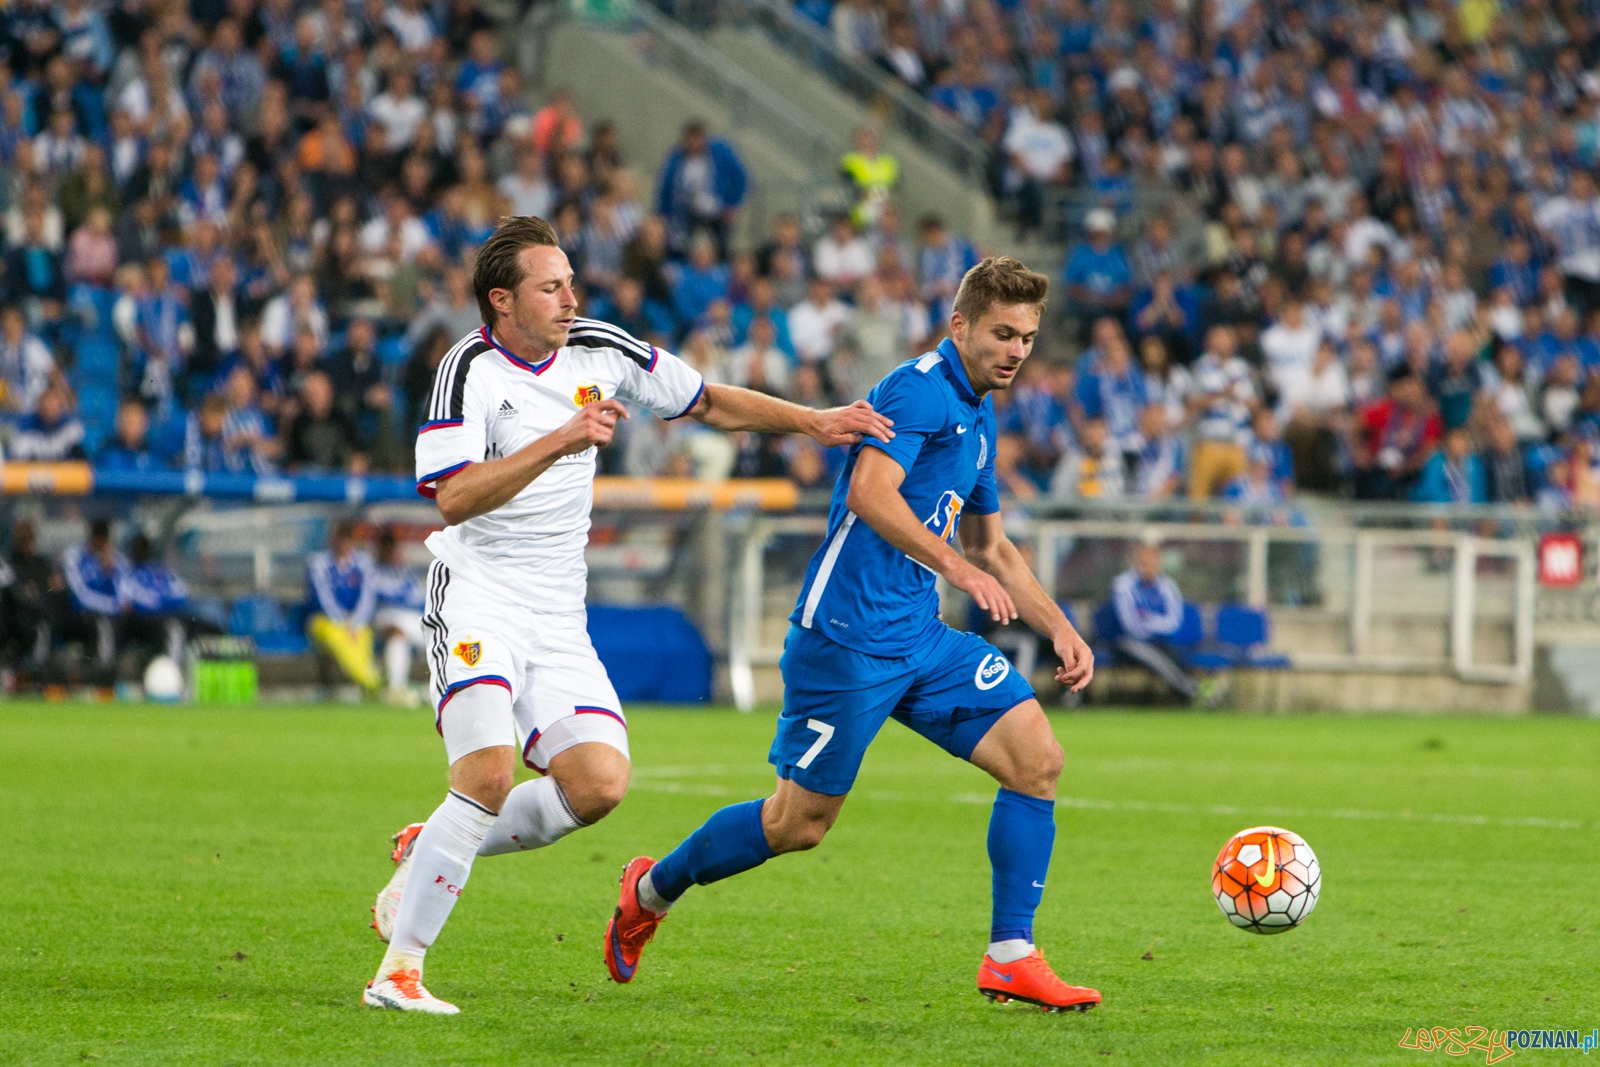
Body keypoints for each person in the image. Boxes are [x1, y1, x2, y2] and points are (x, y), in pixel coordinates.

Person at [365, 216, 891, 1013]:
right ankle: (399, 970)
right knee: (486, 773)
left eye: (571, 280)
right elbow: (452, 495)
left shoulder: (601, 348)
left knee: (599, 784)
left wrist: (815, 421)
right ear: (502, 301)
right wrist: (562, 438)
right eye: (552, 286)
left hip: (556, 614)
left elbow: (708, 401)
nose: (571, 296)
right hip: (478, 593)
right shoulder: (468, 368)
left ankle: (432, 838)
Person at [601, 257, 1100, 1013]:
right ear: (959, 324)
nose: (1016, 350)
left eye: (1027, 337)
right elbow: (871, 493)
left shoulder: (979, 414)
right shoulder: (918, 389)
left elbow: (992, 545)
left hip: (920, 639)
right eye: (1002, 332)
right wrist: (954, 569)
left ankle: (1010, 954)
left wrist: (1062, 627)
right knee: (796, 824)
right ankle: (649, 891)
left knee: (1038, 760)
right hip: (845, 640)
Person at [1108, 543, 1205, 702]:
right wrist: (1158, 624)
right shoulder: (1123, 585)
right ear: (1135, 562)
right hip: (1127, 643)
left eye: (1152, 561)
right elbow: (1131, 626)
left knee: (1170, 653)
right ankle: (1190, 690)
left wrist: (1147, 620)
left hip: (1161, 642)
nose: (1148, 566)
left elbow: (1174, 623)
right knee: (1152, 654)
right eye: (1144, 561)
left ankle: (1186, 692)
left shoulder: (1167, 586)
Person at [305, 519, 381, 692]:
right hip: (324, 620)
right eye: (340, 537)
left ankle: (368, 679)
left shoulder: (362, 563)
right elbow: (323, 597)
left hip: (354, 622)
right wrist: (342, 621)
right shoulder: (319, 563)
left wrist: (354, 622)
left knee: (364, 635)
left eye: (348, 538)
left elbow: (367, 597)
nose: (344, 543)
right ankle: (370, 681)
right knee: (338, 637)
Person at [654, 121, 747, 260]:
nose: (694, 144)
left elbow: (740, 177)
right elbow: (666, 189)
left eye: (698, 140)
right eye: (691, 140)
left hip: (717, 211)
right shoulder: (676, 159)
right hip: (688, 213)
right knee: (684, 247)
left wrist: (731, 204)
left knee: (720, 250)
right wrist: (661, 214)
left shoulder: (720, 152)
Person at [371, 526, 427, 705]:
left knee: (441, 636)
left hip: (411, 618)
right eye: (386, 547)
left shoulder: (406, 572)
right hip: (384, 618)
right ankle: (396, 689)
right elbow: (371, 600)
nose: (390, 551)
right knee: (397, 632)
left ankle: (405, 689)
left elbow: (421, 599)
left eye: (392, 547)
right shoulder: (372, 571)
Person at [63, 519, 127, 675]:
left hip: (114, 614)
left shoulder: (117, 560)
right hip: (79, 613)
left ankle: (113, 673)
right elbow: (80, 595)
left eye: (103, 537)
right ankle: (102, 674)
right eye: (97, 536)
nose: (99, 541)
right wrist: (112, 606)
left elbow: (125, 594)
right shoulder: (75, 557)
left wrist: (109, 572)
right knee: (102, 624)